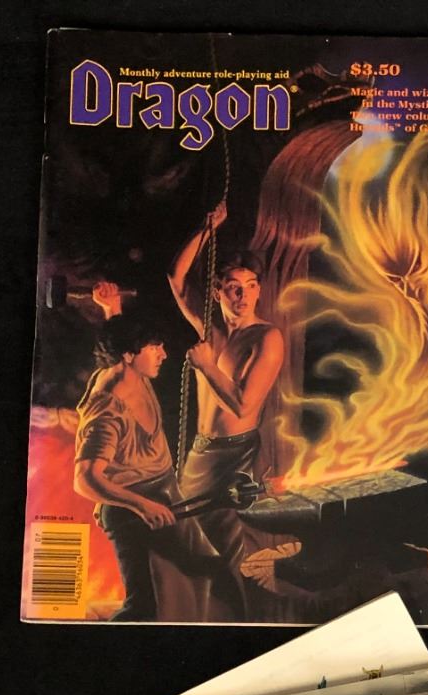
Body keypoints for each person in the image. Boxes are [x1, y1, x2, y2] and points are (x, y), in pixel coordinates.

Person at [70, 314, 234, 620]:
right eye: (155, 347)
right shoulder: (108, 411)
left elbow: (121, 341)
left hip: (161, 495)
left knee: (212, 572)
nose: (163, 354)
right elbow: (84, 479)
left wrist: (111, 308)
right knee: (142, 606)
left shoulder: (131, 370)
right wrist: (142, 506)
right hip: (130, 513)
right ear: (129, 355)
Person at [169, 202, 286, 613]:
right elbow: (176, 278)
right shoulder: (212, 330)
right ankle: (215, 616)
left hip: (236, 458)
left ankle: (250, 620)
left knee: (234, 552)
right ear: (218, 291)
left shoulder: (267, 338)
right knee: (190, 545)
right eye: (234, 287)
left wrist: (206, 366)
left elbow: (243, 403)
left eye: (251, 286)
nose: (244, 295)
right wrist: (207, 228)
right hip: (200, 455)